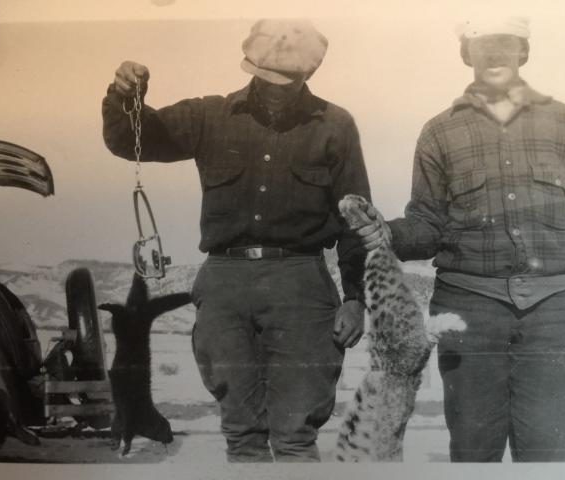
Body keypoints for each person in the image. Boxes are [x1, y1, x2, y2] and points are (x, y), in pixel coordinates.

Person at [101, 19, 370, 462]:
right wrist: (124, 95)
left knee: (295, 435)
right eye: (265, 77)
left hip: (301, 287)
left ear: (309, 73)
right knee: (242, 434)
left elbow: (355, 218)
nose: (275, 90)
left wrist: (356, 298)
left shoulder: (335, 125)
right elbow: (130, 140)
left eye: (287, 80)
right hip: (224, 286)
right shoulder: (208, 116)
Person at [356, 17, 565, 462]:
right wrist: (387, 232)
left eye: (505, 43)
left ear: (523, 50)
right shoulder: (439, 131)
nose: (494, 53)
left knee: (547, 454)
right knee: (474, 454)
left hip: (550, 315)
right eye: (482, 44)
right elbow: (426, 225)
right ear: (466, 53)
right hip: (467, 311)